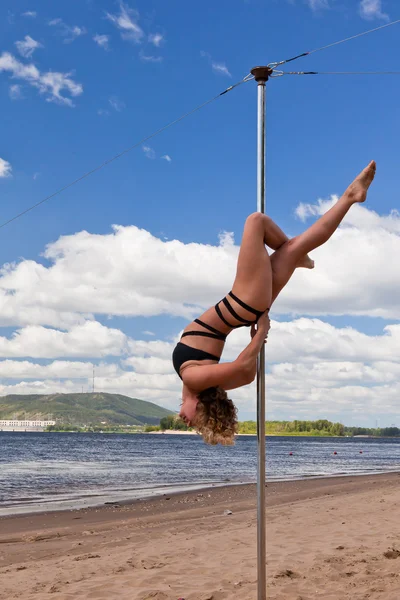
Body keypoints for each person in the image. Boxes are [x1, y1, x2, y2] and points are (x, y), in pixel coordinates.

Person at [172, 161, 376, 445]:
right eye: (196, 423)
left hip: (248, 308)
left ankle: (349, 200)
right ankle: (335, 214)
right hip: (242, 303)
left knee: (292, 247)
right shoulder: (196, 381)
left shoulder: (202, 383)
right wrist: (261, 335)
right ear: (203, 407)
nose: (186, 421)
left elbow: (246, 376)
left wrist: (256, 337)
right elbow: (244, 367)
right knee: (256, 222)